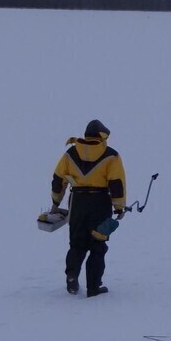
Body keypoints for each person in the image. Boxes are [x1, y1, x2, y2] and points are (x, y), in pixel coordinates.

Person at [50, 120, 126, 297]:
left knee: (77, 243)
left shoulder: (70, 153)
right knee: (98, 245)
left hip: (77, 202)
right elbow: (117, 184)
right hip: (100, 202)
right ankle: (93, 287)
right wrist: (119, 207)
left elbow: (58, 179)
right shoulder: (111, 155)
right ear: (103, 136)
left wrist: (55, 203)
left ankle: (71, 276)